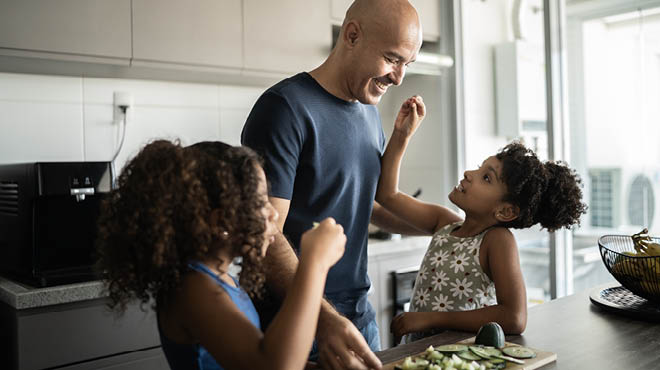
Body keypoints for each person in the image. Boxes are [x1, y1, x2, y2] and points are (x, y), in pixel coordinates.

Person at [240, 0, 424, 368]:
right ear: (352, 35)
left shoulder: (369, 114)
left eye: (408, 64)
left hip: (359, 321)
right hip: (297, 326)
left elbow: (365, 205)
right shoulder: (284, 108)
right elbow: (266, 233)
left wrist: (453, 226)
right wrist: (324, 321)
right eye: (392, 59)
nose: (399, 77)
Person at [95, 139, 347, 370]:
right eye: (260, 203)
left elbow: (248, 360)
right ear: (221, 222)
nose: (274, 214)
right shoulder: (193, 290)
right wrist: (313, 265)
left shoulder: (219, 280)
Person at [376, 96, 588, 343]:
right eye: (480, 168)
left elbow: (514, 317)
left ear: (506, 211)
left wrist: (431, 318)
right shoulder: (444, 223)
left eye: (486, 178)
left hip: (462, 356)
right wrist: (402, 135)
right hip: (422, 353)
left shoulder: (497, 241)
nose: (469, 173)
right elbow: (387, 195)